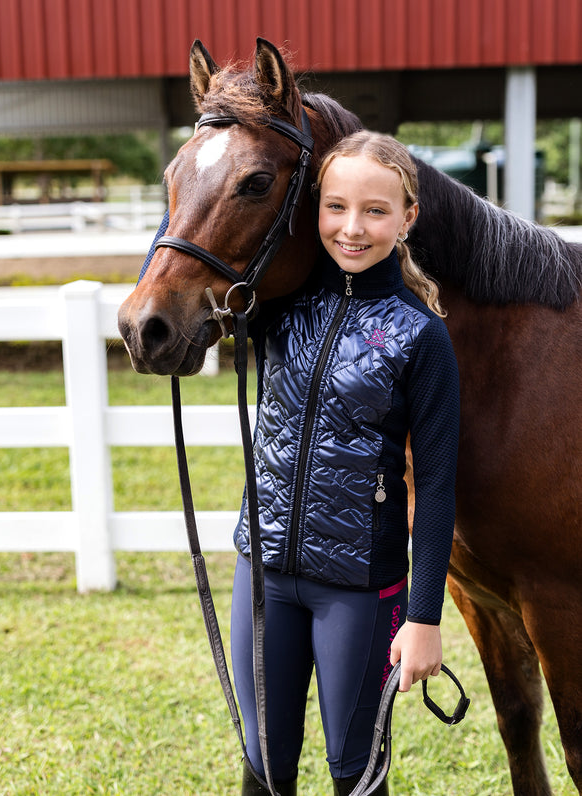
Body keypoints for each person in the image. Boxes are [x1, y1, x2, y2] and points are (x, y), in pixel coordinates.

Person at [231, 130, 460, 796]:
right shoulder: (277, 307)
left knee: (354, 771)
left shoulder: (422, 335)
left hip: (359, 590)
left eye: (375, 211)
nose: (352, 228)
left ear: (408, 217)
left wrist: (424, 619)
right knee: (262, 762)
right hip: (263, 573)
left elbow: (439, 487)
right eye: (335, 207)